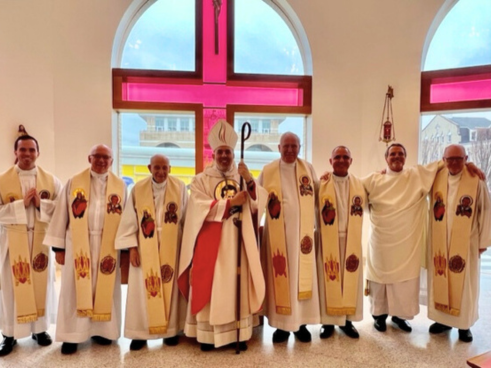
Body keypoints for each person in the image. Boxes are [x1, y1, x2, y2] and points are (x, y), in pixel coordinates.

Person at [362, 143, 483, 333]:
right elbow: (352, 189)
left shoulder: (415, 175)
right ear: (386, 157)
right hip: (380, 241)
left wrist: (470, 166)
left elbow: (447, 162)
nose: (396, 157)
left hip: (407, 243)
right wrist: (329, 177)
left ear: (406, 157)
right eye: (392, 154)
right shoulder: (373, 179)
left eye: (401, 154)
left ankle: (399, 317)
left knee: (404, 283)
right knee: (380, 281)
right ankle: (379, 316)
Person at [178, 120, 266, 352]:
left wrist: (249, 181)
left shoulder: (242, 176)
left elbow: (258, 204)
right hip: (211, 240)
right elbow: (197, 206)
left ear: (233, 152)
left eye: (228, 152)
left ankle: (239, 333)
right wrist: (229, 203)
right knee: (213, 284)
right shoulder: (201, 179)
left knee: (237, 285)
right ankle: (208, 336)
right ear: (213, 153)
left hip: (239, 239)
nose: (224, 156)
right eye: (220, 152)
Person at [44, 144, 126, 354]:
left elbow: (126, 219)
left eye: (106, 157)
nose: (101, 161)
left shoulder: (120, 186)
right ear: (89, 158)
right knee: (74, 288)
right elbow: (61, 214)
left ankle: (103, 331)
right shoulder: (74, 182)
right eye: (97, 156)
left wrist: (125, 249)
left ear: (112, 162)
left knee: (103, 288)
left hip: (107, 244)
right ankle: (73, 335)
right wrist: (58, 248)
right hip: (78, 243)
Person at [115, 154, 188, 350]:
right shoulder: (138, 189)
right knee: (142, 289)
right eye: (157, 167)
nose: (161, 172)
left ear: (170, 168)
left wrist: (186, 249)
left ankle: (171, 331)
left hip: (172, 243)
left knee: (169, 288)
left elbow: (186, 219)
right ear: (149, 168)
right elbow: (130, 220)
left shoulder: (180, 187)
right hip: (144, 244)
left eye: (165, 168)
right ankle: (140, 334)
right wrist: (132, 249)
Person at [0, 135, 62, 356]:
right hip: (11, 243)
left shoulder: (52, 181)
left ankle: (40, 330)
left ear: (38, 152)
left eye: (31, 150)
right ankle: (8, 335)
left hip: (40, 242)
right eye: (22, 150)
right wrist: (20, 205)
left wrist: (40, 204)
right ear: (15, 152)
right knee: (10, 289)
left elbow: (62, 210)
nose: (27, 154)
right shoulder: (1, 180)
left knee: (41, 286)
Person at [258, 132, 320, 343]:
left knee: (300, 279)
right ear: (279, 147)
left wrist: (328, 181)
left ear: (300, 147)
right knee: (281, 277)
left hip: (302, 237)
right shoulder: (268, 171)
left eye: (294, 146)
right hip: (277, 236)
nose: (290, 150)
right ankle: (281, 327)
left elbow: (320, 193)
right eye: (286, 146)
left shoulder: (308, 168)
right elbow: (256, 199)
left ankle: (300, 324)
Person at [427, 144, 491, 342]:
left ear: (466, 158)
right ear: (443, 160)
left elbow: (486, 210)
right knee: (441, 278)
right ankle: (443, 321)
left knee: (465, 285)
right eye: (450, 159)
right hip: (439, 240)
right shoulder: (435, 176)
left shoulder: (475, 179)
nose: (454, 163)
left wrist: (483, 241)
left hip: (466, 242)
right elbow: (413, 176)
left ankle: (464, 326)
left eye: (459, 159)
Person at [317, 146, 365, 339]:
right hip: (329, 238)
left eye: (346, 157)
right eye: (337, 157)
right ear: (330, 161)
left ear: (351, 161)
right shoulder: (321, 184)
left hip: (351, 239)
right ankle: (328, 322)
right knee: (328, 279)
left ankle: (347, 321)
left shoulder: (360, 184)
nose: (342, 160)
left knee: (349, 281)